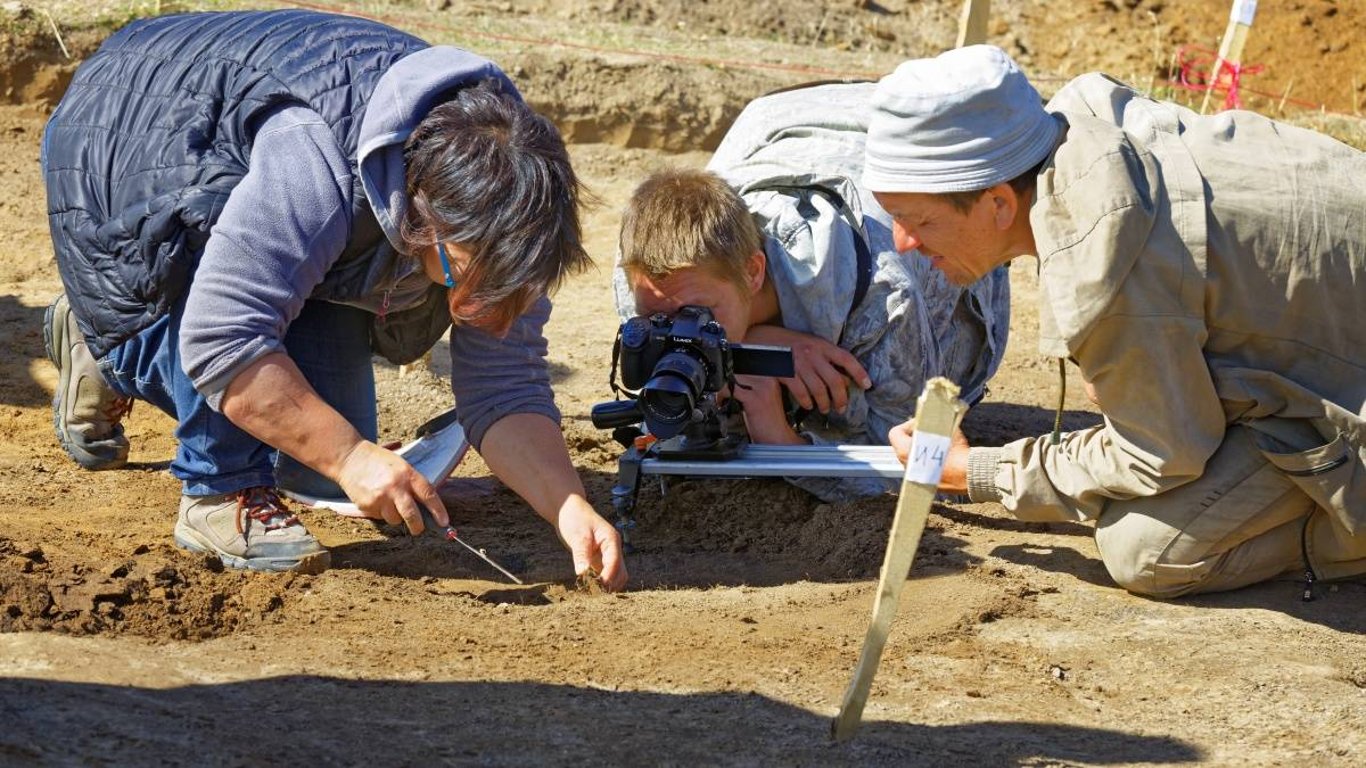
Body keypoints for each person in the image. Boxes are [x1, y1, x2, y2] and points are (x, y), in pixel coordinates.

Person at [41, 9, 626, 589]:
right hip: (125, 146)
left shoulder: (519, 202)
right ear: (425, 217)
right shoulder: (314, 162)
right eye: (462, 273)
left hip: (266, 169)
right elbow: (224, 337)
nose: (479, 310)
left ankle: (112, 345)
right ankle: (212, 478)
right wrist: (349, 458)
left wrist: (566, 505)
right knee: (283, 415)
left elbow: (505, 386)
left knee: (313, 457)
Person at [866, 45, 1365, 598]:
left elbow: (1160, 457)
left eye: (918, 220)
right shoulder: (1090, 140)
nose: (903, 243)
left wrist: (972, 469)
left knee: (1148, 550)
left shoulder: (1115, 261)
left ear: (1000, 205)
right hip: (1334, 336)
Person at [613, 82, 1010, 501]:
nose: (678, 332)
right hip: (784, 121)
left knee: (850, 408)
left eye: (698, 314)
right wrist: (754, 342)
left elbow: (920, 471)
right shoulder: (651, 283)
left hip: (915, 150)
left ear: (752, 273)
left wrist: (779, 439)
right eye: (660, 318)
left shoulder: (885, 299)